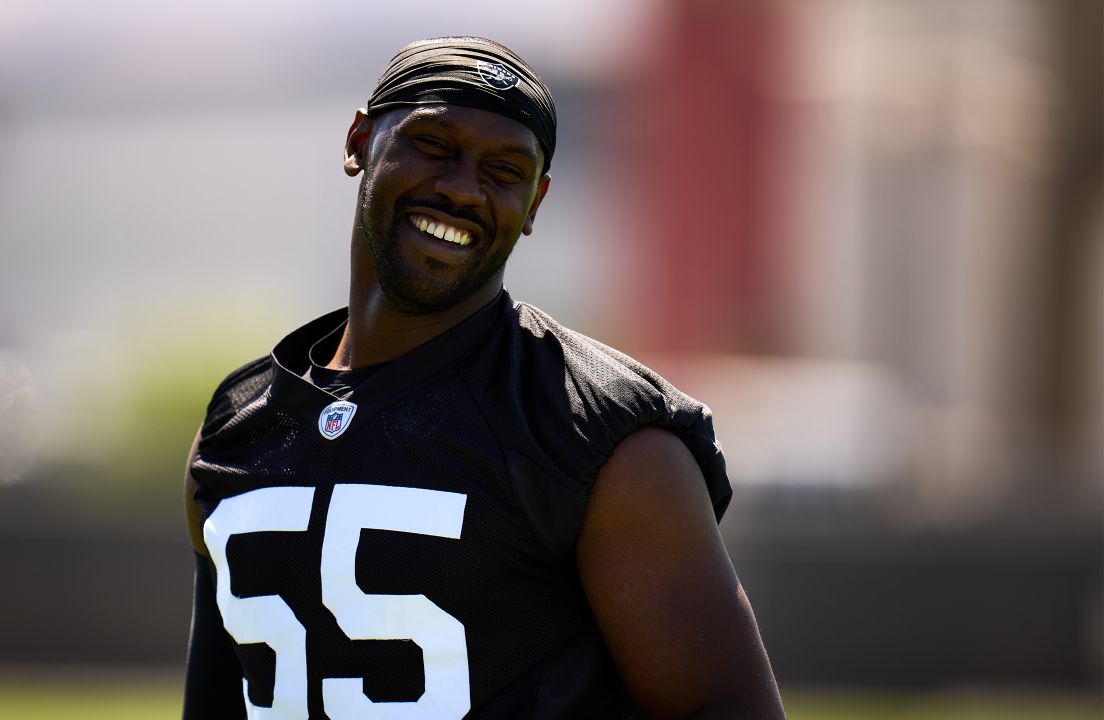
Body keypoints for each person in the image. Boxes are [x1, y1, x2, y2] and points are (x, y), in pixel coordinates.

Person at [182, 36, 785, 719]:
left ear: (535, 204)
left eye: (504, 170)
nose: (463, 188)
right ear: (358, 140)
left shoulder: (599, 435)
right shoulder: (242, 422)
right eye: (434, 145)